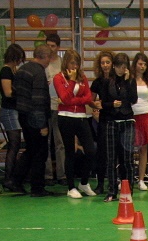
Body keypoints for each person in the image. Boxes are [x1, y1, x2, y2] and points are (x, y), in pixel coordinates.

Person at [53, 49, 97, 199]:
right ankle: (71, 187)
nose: (75, 66)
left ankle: (84, 182)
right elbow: (64, 98)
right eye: (72, 63)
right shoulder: (58, 78)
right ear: (66, 63)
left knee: (90, 150)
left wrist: (74, 100)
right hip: (65, 117)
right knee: (70, 152)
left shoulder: (82, 77)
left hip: (81, 117)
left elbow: (88, 98)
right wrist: (71, 82)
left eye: (77, 63)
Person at [12, 44, 53, 197]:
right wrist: (42, 125)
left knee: (30, 149)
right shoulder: (39, 72)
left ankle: (15, 180)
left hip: (23, 115)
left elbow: (15, 92)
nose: (49, 61)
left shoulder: (23, 69)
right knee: (40, 152)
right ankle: (37, 187)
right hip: (36, 117)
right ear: (46, 57)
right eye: (49, 58)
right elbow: (38, 100)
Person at [100, 52, 137, 202]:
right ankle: (111, 191)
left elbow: (133, 99)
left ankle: (128, 191)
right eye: (119, 66)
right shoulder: (107, 81)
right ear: (114, 66)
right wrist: (112, 104)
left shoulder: (131, 81)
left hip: (127, 121)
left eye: (124, 66)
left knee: (127, 159)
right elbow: (102, 103)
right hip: (111, 121)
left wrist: (128, 82)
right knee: (111, 158)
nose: (122, 69)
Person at [0, 44, 24, 192]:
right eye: (19, 58)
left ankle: (11, 177)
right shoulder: (6, 71)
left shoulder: (11, 70)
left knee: (15, 144)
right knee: (14, 144)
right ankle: (8, 178)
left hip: (12, 110)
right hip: (8, 110)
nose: (20, 61)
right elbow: (8, 93)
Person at [130, 53, 148, 191]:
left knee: (143, 149)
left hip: (145, 115)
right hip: (131, 116)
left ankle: (141, 180)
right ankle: (126, 179)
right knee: (127, 148)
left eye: (145, 64)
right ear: (135, 64)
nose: (142, 67)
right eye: (140, 64)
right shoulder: (129, 79)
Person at [90, 50, 113, 195]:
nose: (105, 65)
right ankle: (100, 184)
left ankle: (113, 182)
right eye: (102, 63)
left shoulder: (118, 80)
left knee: (114, 153)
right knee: (101, 154)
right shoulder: (97, 82)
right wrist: (95, 106)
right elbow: (90, 100)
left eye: (107, 62)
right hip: (103, 120)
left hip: (116, 120)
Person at [44, 33, 66, 185]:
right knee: (45, 141)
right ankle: (47, 175)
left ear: (58, 47)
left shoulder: (62, 63)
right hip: (46, 106)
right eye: (48, 45)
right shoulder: (43, 63)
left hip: (60, 106)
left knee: (60, 142)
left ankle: (62, 174)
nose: (50, 48)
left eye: (53, 46)